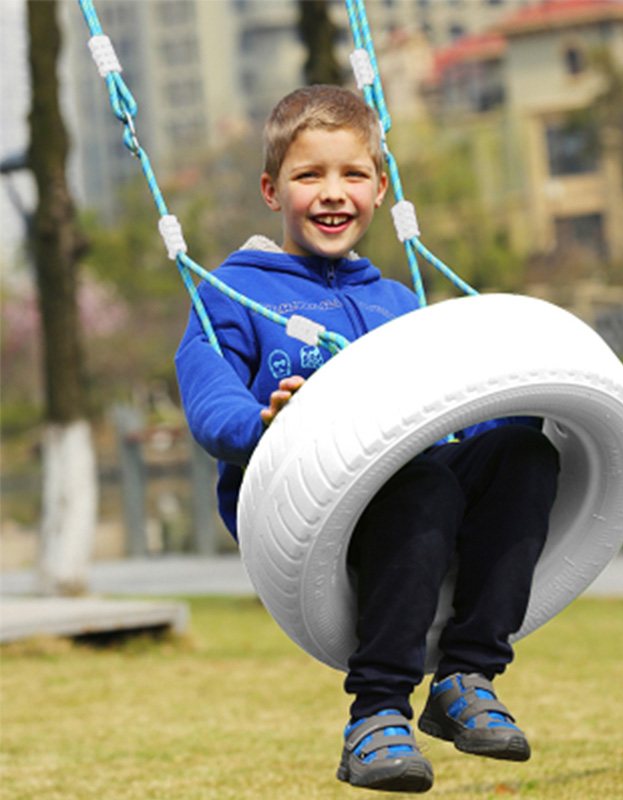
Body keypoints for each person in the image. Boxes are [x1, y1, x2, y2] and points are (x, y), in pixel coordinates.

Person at [175, 85, 560, 794]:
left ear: (381, 189)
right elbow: (209, 397)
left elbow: (449, 409)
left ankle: (467, 675)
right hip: (303, 507)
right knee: (422, 480)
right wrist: (260, 422)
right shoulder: (232, 292)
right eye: (308, 175)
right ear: (271, 189)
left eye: (353, 175)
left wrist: (520, 410)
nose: (332, 193)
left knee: (522, 453)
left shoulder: (397, 301)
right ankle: (376, 713)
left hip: (419, 496)